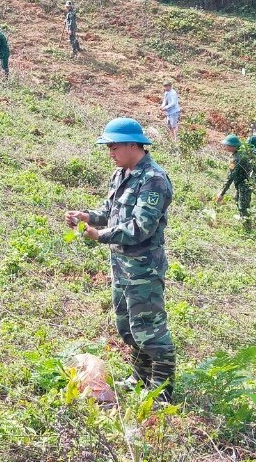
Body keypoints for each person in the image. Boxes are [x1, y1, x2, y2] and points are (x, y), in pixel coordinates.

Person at [64, 118, 176, 402]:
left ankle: (162, 392)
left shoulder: (154, 179)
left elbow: (141, 227)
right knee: (127, 327)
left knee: (150, 330)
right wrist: (87, 217)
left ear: (133, 144)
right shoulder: (122, 174)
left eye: (114, 146)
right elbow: (109, 210)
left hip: (144, 268)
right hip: (121, 266)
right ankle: (140, 377)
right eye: (108, 147)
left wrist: (98, 235)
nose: (110, 152)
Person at [216, 134, 255, 223]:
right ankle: (243, 218)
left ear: (234, 147)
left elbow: (230, 177)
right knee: (237, 198)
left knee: (243, 206)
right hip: (244, 182)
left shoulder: (236, 159)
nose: (225, 147)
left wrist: (222, 193)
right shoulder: (241, 153)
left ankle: (247, 226)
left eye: (227, 145)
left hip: (244, 184)